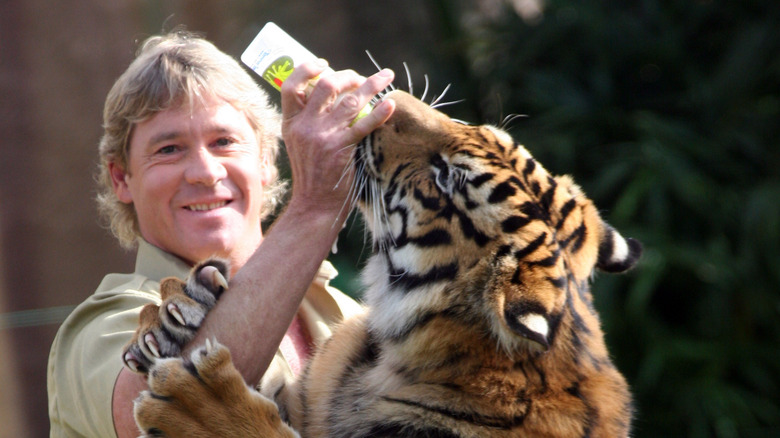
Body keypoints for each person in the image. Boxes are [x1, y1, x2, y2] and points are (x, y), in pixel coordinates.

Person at [47, 30, 396, 437]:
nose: (206, 172)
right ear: (122, 178)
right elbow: (158, 418)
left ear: (266, 160)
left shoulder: (346, 312)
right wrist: (316, 208)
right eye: (169, 150)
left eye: (224, 142)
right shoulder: (101, 328)